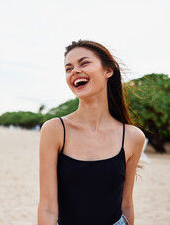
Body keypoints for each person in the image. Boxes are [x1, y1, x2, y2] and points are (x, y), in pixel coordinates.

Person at [37, 40, 145, 225]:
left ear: (108, 71)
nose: (74, 71)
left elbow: (126, 205)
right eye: (68, 68)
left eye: (84, 63)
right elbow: (47, 208)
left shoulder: (133, 137)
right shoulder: (55, 130)